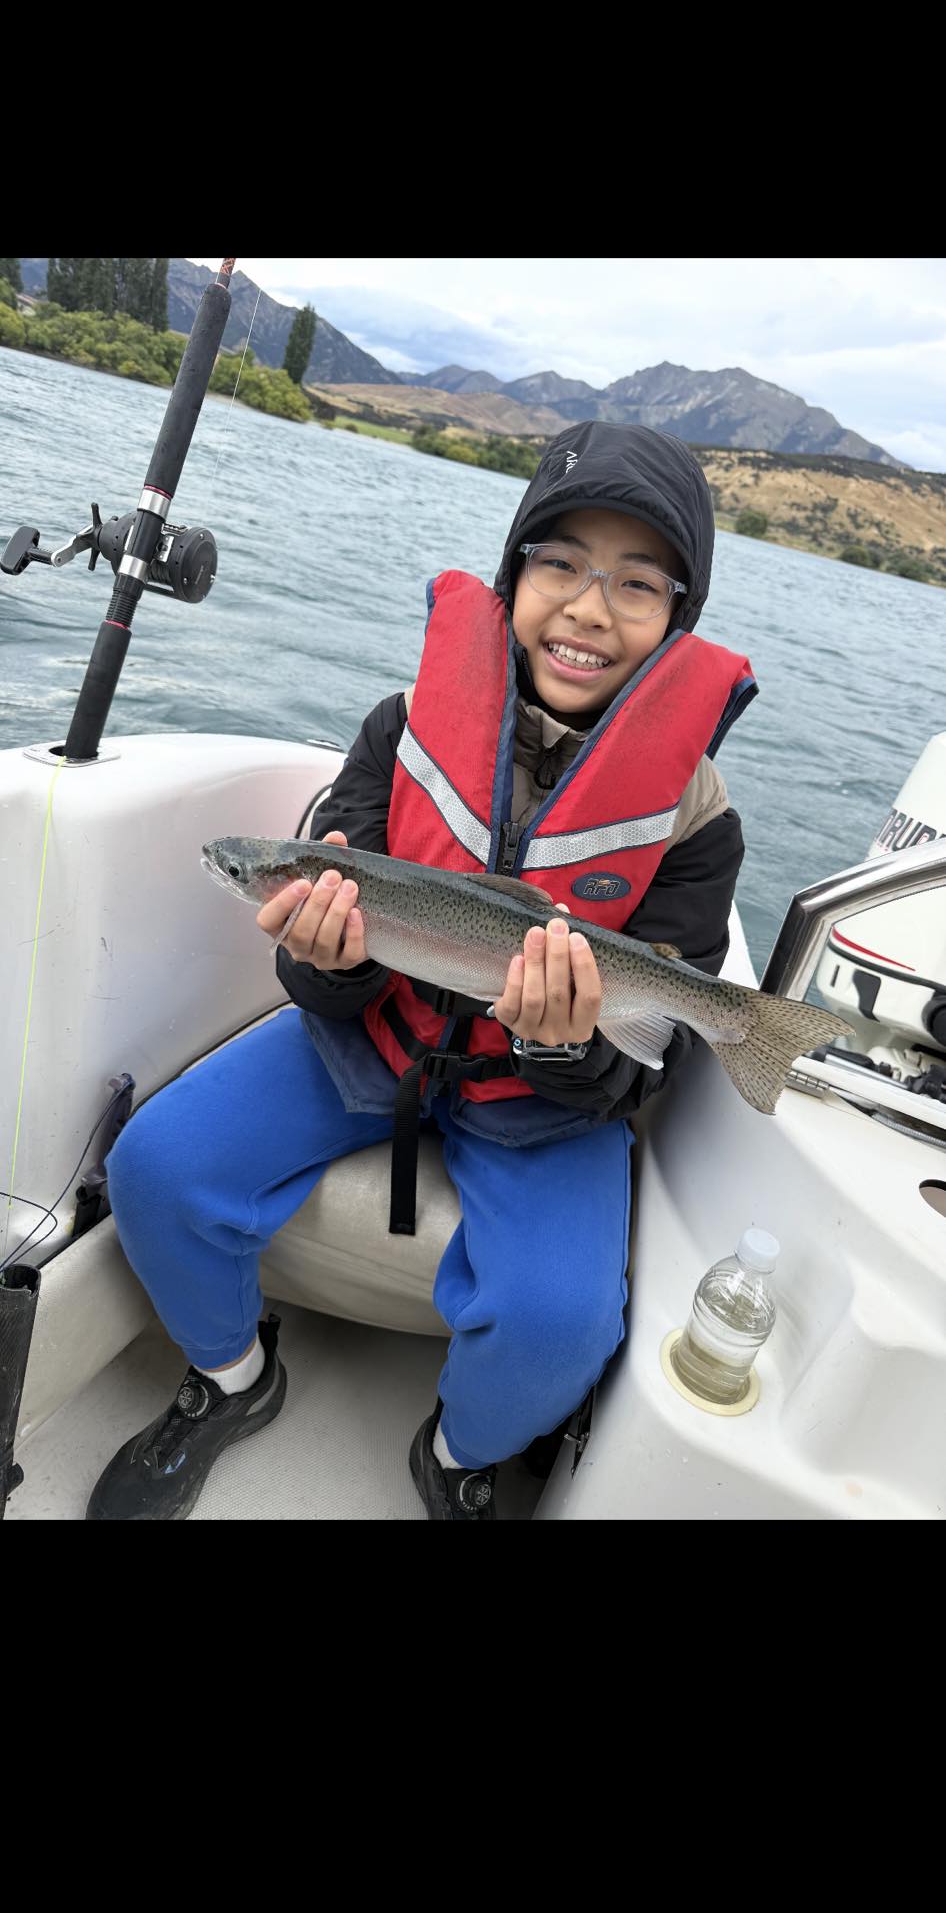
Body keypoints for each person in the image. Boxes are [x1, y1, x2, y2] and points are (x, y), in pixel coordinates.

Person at [86, 421, 755, 1522]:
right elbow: (320, 975)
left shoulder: (697, 821)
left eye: (637, 583)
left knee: (562, 1325)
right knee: (155, 1166)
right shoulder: (400, 731)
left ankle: (457, 1454)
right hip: (372, 1036)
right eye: (561, 564)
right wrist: (328, 967)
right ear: (512, 575)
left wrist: (559, 1038)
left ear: (679, 618)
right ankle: (233, 1378)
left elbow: (641, 1064)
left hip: (546, 1100)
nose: (590, 608)